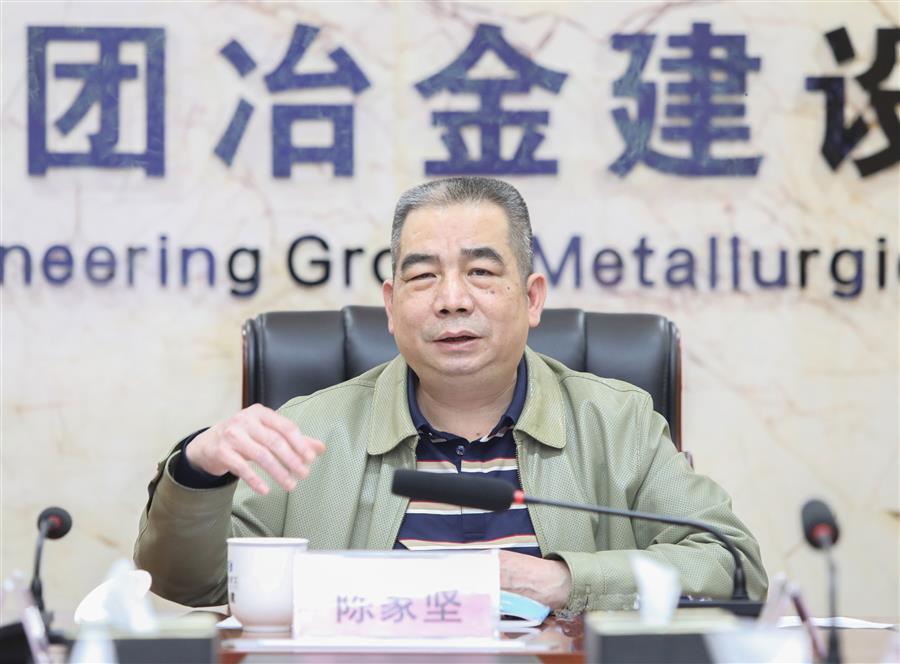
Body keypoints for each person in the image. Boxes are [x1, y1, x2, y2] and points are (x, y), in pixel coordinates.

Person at [134, 177, 767, 612]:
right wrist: (197, 469)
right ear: (391, 306)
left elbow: (732, 565)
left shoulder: (617, 422)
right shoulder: (310, 431)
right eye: (423, 276)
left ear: (532, 298)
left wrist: (562, 580)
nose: (452, 299)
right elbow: (190, 583)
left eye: (481, 272)